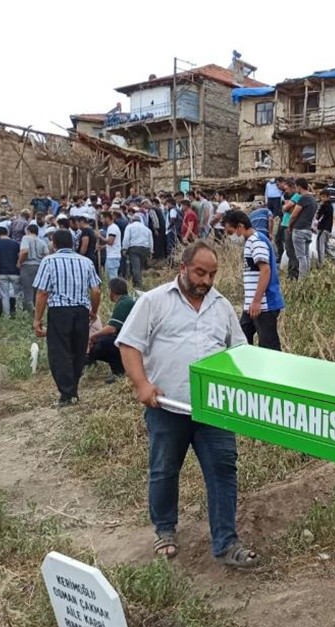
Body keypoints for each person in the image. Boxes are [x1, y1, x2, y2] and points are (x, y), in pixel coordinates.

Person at [116, 242, 256, 568]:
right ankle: (164, 529)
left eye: (212, 274)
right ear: (183, 267)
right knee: (164, 471)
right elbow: (129, 344)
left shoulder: (220, 306)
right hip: (166, 406)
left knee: (223, 472)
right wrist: (141, 384)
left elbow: (239, 351)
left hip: (214, 410)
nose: (206, 281)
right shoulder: (154, 301)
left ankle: (226, 543)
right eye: (200, 272)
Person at [32, 230, 102, 406]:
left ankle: (66, 394)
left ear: (54, 244)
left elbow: (42, 292)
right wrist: (93, 311)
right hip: (81, 310)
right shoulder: (85, 262)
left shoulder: (49, 261)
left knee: (59, 352)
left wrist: (37, 319)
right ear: (73, 243)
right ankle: (74, 390)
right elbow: (96, 290)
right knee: (78, 350)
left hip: (59, 311)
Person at [222, 209, 284, 352]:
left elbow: (265, 270)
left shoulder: (256, 241)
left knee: (269, 348)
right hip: (251, 305)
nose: (230, 237)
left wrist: (256, 301)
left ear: (240, 227)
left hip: (263, 305)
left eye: (231, 232)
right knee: (240, 340)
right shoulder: (252, 241)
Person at [86, 277, 135, 382]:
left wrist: (93, 336)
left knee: (103, 343)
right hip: (132, 339)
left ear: (112, 291)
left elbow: (112, 328)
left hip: (132, 342)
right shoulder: (126, 301)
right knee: (104, 340)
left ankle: (119, 371)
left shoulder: (124, 303)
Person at [289, 179, 318, 279]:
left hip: (299, 229)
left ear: (299, 187)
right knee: (306, 256)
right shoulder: (313, 199)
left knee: (301, 257)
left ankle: (301, 280)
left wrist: (289, 226)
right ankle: (307, 278)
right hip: (308, 230)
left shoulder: (303, 198)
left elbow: (294, 215)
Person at [0, 226, 21, 318]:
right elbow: (19, 256)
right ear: (7, 233)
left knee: (5, 295)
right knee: (18, 294)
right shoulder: (16, 243)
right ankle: (19, 314)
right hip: (15, 272)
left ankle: (6, 316)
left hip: (2, 272)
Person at [315, 189, 334, 269]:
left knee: (320, 246)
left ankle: (321, 264)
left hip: (323, 228)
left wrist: (318, 209)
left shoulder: (325, 206)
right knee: (326, 246)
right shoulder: (330, 206)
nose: (322, 198)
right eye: (321, 197)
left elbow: (317, 217)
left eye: (323, 197)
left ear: (328, 197)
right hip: (328, 228)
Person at [101, 211, 122, 282]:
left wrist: (99, 236)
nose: (101, 221)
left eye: (102, 219)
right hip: (112, 256)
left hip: (113, 257)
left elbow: (110, 242)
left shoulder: (113, 228)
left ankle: (116, 292)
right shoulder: (111, 227)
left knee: (113, 279)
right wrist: (102, 247)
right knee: (109, 278)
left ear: (107, 218)